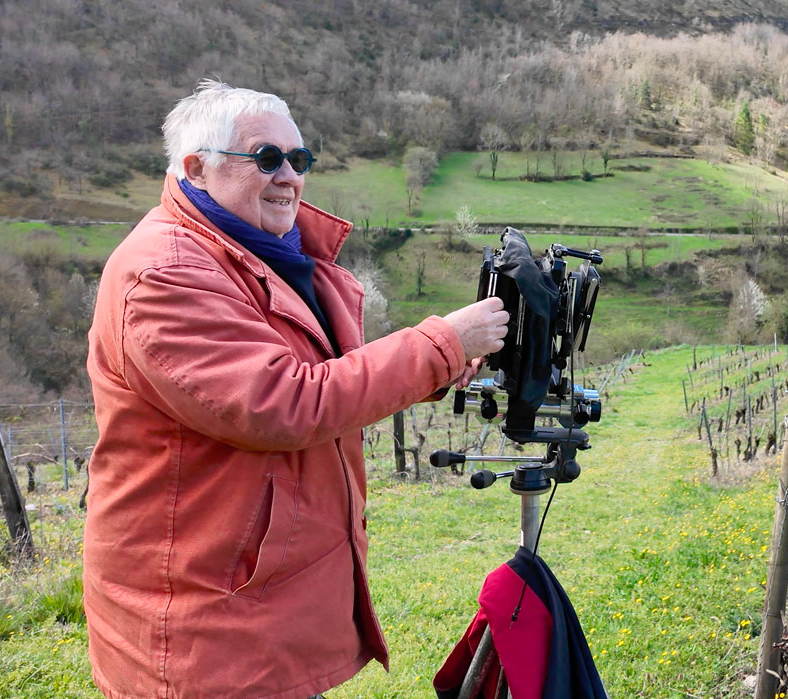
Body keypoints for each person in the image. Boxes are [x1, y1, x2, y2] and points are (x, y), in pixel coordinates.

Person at [84, 79, 508, 699]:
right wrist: (439, 344)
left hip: (251, 600)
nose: (289, 175)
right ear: (197, 168)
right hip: (204, 621)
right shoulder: (165, 272)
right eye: (266, 158)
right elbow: (281, 403)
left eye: (299, 159)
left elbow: (324, 369)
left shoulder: (264, 253)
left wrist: (434, 370)